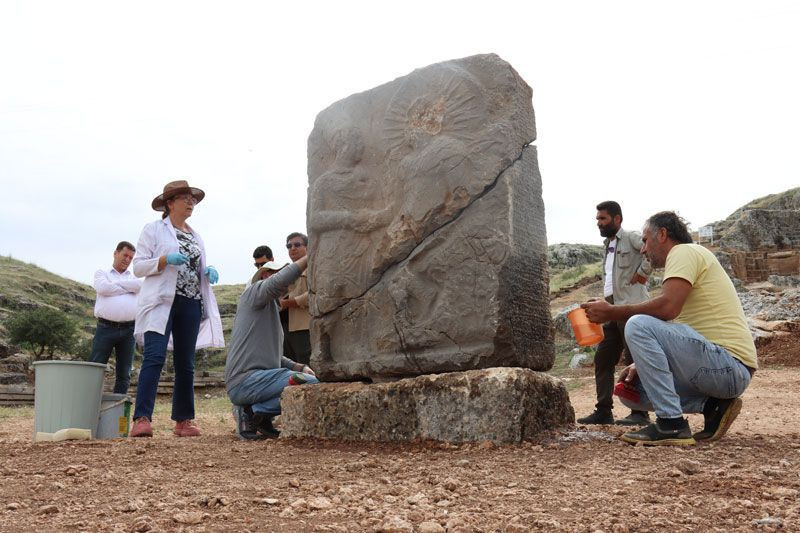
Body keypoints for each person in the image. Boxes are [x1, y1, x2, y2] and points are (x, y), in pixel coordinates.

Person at [582, 211, 758, 446]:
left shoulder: (684, 251)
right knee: (632, 393)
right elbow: (678, 329)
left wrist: (611, 312)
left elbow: (668, 308)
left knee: (637, 323)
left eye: (645, 241)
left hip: (729, 366)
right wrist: (642, 362)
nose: (643, 250)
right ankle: (712, 406)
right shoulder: (686, 261)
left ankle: (671, 424)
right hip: (717, 370)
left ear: (662, 234)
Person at [130, 180, 224, 438]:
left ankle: (183, 420)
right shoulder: (153, 230)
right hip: (161, 302)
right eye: (185, 197)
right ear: (170, 203)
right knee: (154, 357)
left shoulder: (195, 235)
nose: (191, 202)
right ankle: (142, 418)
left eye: (192, 198)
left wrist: (207, 270)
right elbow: (138, 267)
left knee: (186, 363)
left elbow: (196, 264)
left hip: (191, 302)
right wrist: (163, 260)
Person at [226, 257, 318, 440]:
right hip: (248, 381)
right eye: (277, 272)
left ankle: (256, 414)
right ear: (265, 275)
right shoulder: (253, 293)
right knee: (310, 384)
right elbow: (279, 281)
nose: (286, 278)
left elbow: (274, 356)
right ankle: (254, 411)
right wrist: (310, 255)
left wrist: (298, 367)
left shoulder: (265, 309)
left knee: (306, 379)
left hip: (249, 382)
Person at [578, 201, 652, 426]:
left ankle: (640, 414)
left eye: (603, 219)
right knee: (603, 359)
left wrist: (642, 273)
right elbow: (611, 280)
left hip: (630, 309)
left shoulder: (630, 237)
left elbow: (651, 250)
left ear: (617, 219)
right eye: (598, 219)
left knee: (633, 360)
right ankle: (603, 411)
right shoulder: (606, 245)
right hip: (610, 309)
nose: (599, 223)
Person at [89, 241, 142, 394]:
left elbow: (140, 286)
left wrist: (116, 286)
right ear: (115, 253)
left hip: (129, 330)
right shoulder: (101, 274)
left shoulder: (135, 278)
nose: (127, 259)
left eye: (131, 257)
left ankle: (119, 414)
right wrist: (127, 287)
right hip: (105, 328)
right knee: (96, 369)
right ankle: (90, 408)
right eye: (125, 255)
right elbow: (103, 288)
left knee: (124, 373)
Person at [280, 232, 311, 366]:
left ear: (307, 247)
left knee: (307, 365)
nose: (292, 248)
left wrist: (289, 303)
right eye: (289, 246)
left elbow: (316, 295)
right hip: (285, 328)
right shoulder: (285, 271)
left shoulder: (314, 268)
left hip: (304, 327)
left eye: (297, 245)